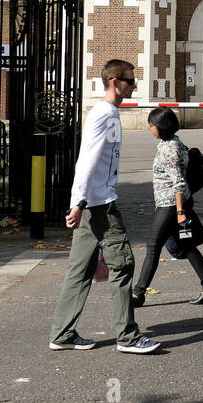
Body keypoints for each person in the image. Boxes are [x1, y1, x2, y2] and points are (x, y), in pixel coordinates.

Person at [49, 59, 161, 353]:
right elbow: (87, 159)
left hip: (91, 203)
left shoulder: (104, 113)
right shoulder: (106, 115)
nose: (134, 85)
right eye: (130, 80)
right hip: (99, 205)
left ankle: (62, 333)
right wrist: (78, 201)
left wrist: (79, 202)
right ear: (114, 81)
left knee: (81, 269)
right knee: (123, 264)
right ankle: (128, 336)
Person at [131, 107, 203, 306]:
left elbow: (178, 181)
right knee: (186, 245)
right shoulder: (175, 142)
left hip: (171, 204)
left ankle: (138, 294)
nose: (150, 128)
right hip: (175, 202)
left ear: (161, 126)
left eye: (152, 125)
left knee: (153, 246)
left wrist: (180, 211)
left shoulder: (168, 148)